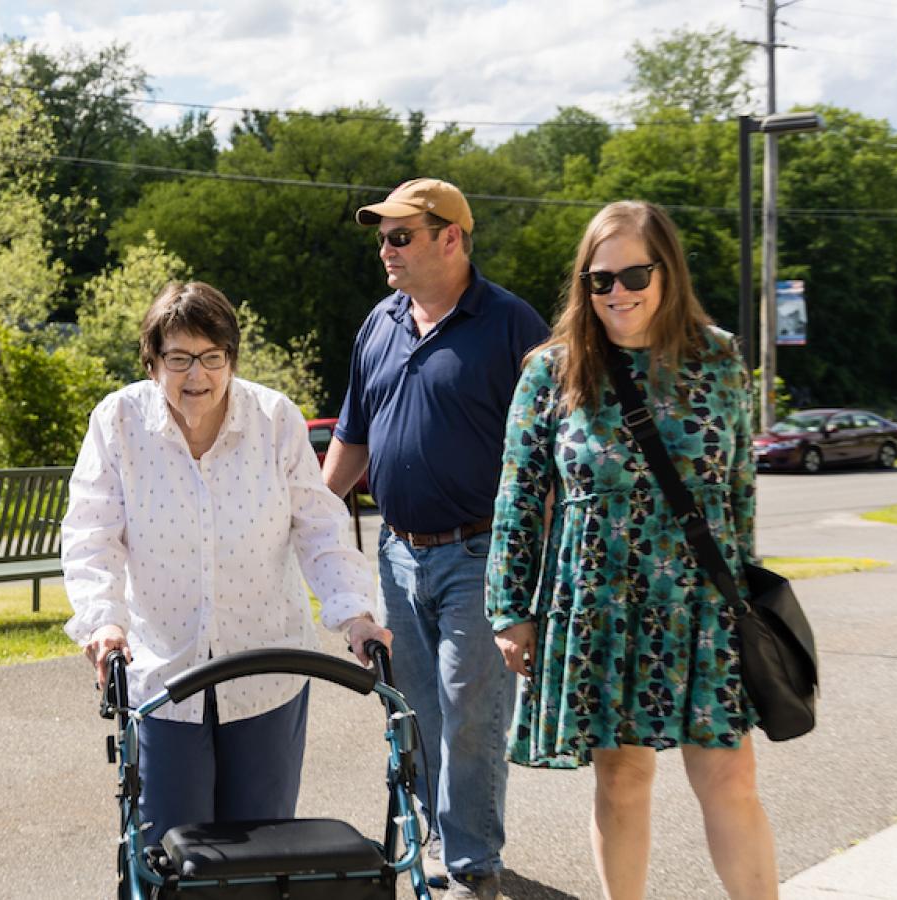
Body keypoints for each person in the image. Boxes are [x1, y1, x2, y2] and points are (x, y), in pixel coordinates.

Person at [486, 200, 778, 899]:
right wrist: (508, 609)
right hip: (601, 605)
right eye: (600, 279)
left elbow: (739, 496)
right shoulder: (553, 372)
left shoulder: (721, 362)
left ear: (667, 270)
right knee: (621, 778)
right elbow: (518, 500)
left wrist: (747, 605)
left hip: (703, 608)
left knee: (731, 778)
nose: (618, 292)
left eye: (633, 273)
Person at [63, 280, 391, 846]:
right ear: (151, 362)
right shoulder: (118, 422)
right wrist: (104, 622)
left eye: (213, 358)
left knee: (261, 849)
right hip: (164, 672)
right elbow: (93, 534)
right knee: (171, 848)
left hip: (267, 670)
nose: (198, 376)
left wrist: (355, 616)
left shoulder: (273, 419)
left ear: (232, 359)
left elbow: (319, 527)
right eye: (180, 359)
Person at [322, 178, 549, 900]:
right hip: (397, 553)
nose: (385, 250)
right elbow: (351, 440)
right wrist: (302, 518)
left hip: (481, 556)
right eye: (382, 237)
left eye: (400, 236)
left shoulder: (512, 326)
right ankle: (437, 846)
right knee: (413, 714)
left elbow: (549, 457)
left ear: (451, 237)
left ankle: (472, 867)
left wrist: (532, 581)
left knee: (470, 720)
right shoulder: (379, 324)